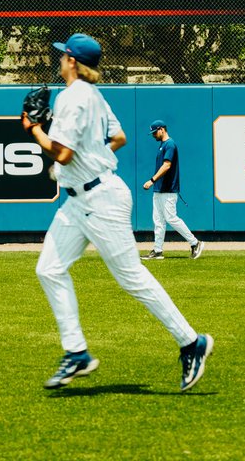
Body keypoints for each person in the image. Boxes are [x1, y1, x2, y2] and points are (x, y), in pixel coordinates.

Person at [23, 33, 212, 393]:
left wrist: (32, 128)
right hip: (80, 200)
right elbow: (120, 137)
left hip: (100, 201)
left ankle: (192, 343)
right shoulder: (94, 97)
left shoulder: (71, 98)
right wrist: (91, 155)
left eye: (64, 56)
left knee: (132, 278)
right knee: (48, 268)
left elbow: (61, 154)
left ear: (73, 63)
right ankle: (76, 352)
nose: (60, 60)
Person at [142, 120, 204, 261]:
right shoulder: (162, 145)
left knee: (171, 218)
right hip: (160, 190)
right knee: (158, 221)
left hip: (168, 189)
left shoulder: (170, 144)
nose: (153, 135)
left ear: (162, 129)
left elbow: (167, 166)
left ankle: (195, 243)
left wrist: (151, 181)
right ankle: (158, 251)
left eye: (155, 132)